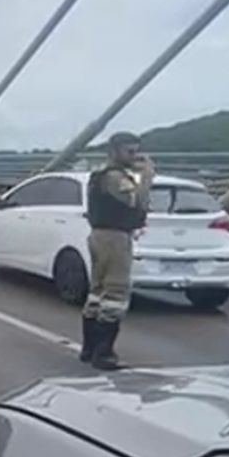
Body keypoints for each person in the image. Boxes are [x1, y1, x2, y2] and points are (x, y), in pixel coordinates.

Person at [81, 132, 154, 370]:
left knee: (97, 292)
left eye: (136, 151)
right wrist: (146, 178)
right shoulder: (115, 177)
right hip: (114, 237)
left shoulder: (100, 175)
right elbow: (136, 201)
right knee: (115, 293)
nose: (134, 157)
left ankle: (89, 348)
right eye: (129, 152)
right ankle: (104, 353)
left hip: (100, 235)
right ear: (114, 151)